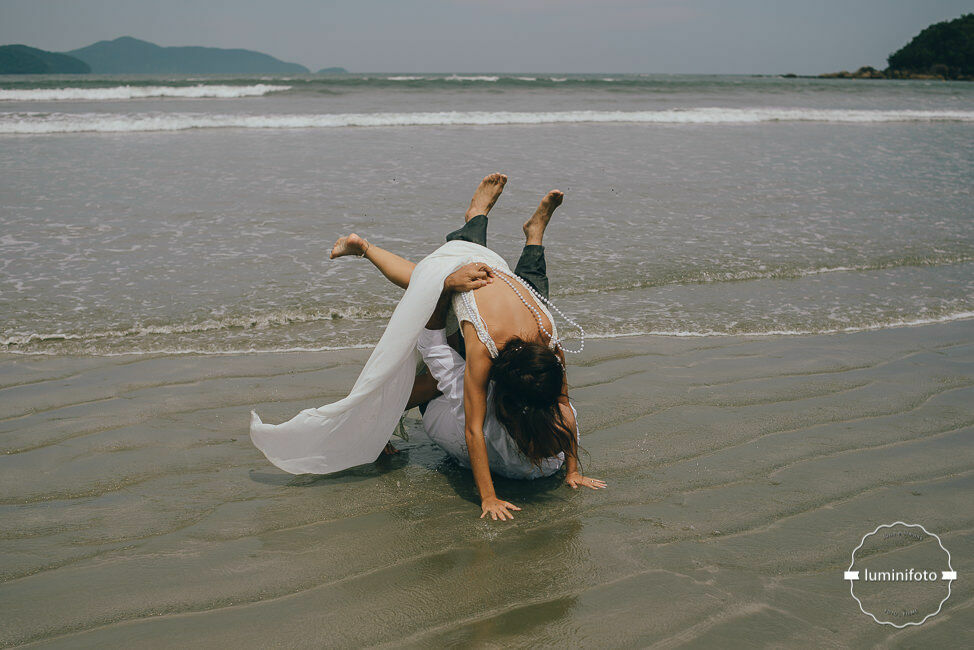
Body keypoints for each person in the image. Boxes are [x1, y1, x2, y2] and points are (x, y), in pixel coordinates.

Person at [330, 174, 606, 520]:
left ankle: (534, 235)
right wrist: (487, 497)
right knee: (420, 281)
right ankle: (472, 216)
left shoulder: (547, 337)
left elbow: (563, 404)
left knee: (536, 292)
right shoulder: (482, 346)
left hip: (517, 298)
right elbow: (473, 428)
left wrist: (573, 471)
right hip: (470, 279)